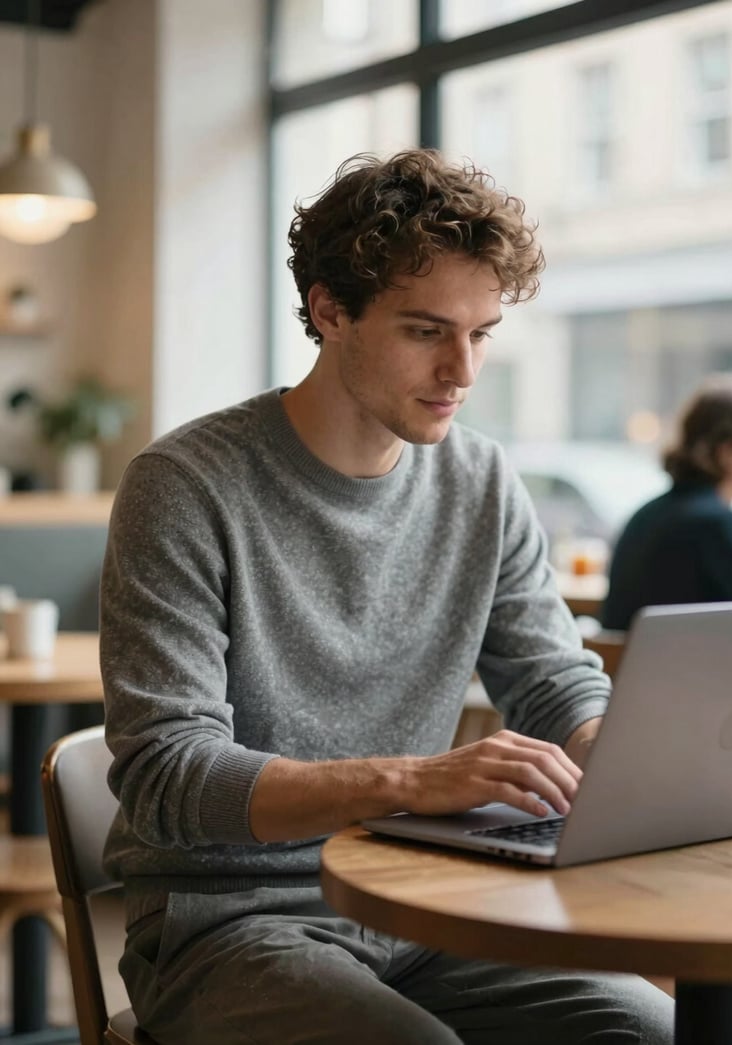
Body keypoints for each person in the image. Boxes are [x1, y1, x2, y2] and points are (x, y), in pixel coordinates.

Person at [100, 148, 674, 1045]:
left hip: (427, 896)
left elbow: (555, 680)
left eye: (482, 332)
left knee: (648, 1029)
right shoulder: (184, 485)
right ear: (331, 311)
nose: (464, 370)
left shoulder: (483, 481)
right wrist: (412, 781)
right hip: (229, 923)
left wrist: (622, 763)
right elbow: (165, 771)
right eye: (425, 330)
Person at [602, 372, 732, 631]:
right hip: (696, 670)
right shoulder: (721, 527)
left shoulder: (646, 514)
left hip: (632, 669)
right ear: (728, 453)